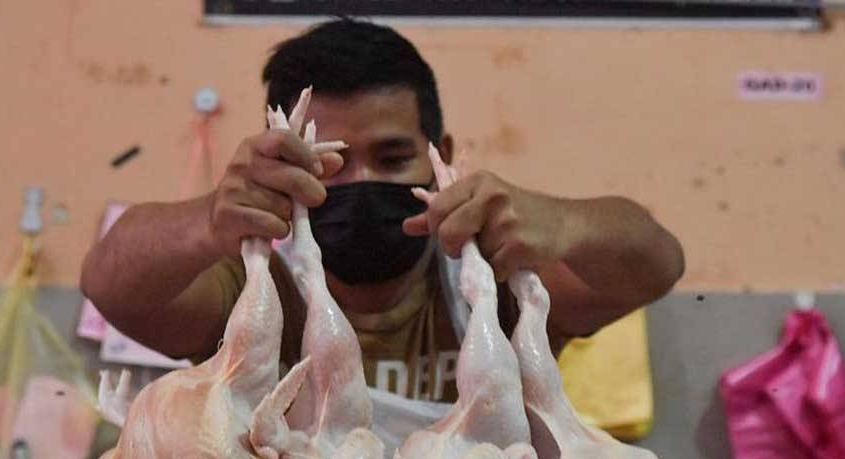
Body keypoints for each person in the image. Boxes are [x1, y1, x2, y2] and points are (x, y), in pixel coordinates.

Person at [80, 18, 684, 404]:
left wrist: (564, 224)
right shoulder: (251, 287)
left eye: (393, 157)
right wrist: (211, 218)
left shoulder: (495, 280)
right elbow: (111, 285)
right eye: (332, 162)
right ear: (284, 157)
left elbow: (657, 262)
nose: (363, 182)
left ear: (441, 156)